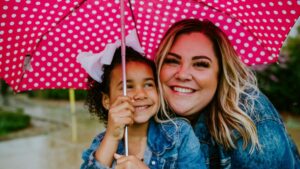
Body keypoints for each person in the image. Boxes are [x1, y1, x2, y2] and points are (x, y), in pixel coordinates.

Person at [155, 19, 300, 169]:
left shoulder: (250, 119)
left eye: (201, 64)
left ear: (220, 73)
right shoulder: (148, 114)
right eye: (172, 61)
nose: (183, 74)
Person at [78, 33, 206, 169]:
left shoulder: (179, 134)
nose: (140, 94)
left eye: (148, 84)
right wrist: (112, 136)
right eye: (128, 87)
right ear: (107, 100)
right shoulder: (101, 143)